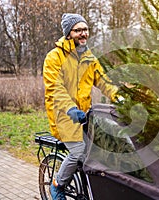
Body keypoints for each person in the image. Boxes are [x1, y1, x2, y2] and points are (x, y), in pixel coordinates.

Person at [43, 13, 121, 200]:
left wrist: (119, 98)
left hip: (84, 116)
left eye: (85, 29)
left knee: (101, 150)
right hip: (64, 118)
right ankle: (57, 185)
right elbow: (55, 88)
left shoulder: (89, 57)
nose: (83, 33)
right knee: (79, 152)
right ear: (68, 33)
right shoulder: (54, 57)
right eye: (78, 30)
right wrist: (70, 109)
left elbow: (103, 81)